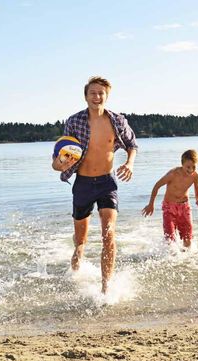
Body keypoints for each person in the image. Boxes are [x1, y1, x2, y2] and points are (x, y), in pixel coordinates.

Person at [52, 76, 138, 294]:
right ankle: (78, 256)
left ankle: (105, 288)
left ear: (106, 96)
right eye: (93, 93)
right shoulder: (74, 122)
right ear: (86, 96)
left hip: (107, 183)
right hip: (83, 183)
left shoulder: (117, 121)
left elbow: (132, 145)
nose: (97, 97)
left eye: (101, 93)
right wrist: (61, 164)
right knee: (80, 239)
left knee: (108, 234)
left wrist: (129, 163)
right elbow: (58, 160)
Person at [141, 149, 198, 249]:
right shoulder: (172, 174)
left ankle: (186, 260)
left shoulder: (195, 176)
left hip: (185, 207)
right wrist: (151, 204)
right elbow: (156, 186)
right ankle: (170, 258)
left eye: (194, 167)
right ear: (182, 164)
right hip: (169, 208)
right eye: (188, 167)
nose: (191, 170)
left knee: (187, 238)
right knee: (170, 239)